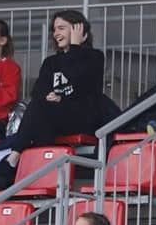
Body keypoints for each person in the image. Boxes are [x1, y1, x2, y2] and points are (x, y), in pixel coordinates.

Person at [7, 10, 105, 151]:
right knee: (37, 108)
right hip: (54, 116)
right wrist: (48, 96)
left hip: (82, 117)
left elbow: (84, 87)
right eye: (54, 30)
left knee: (39, 112)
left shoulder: (94, 56)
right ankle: (37, 157)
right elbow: (37, 92)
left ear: (79, 31)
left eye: (61, 28)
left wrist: (75, 48)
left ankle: (16, 153)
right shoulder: (51, 62)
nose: (56, 34)